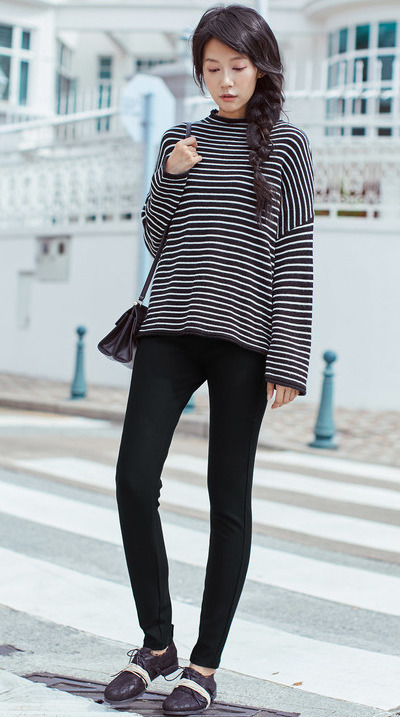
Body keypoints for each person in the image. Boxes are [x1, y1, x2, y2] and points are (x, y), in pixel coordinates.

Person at [104, 3, 314, 715]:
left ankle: (203, 665)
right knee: (134, 481)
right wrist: (171, 175)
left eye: (237, 66)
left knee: (229, 497)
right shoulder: (180, 140)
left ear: (261, 67)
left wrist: (290, 354)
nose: (225, 81)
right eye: (212, 68)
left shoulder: (286, 146)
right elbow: (155, 236)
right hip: (170, 329)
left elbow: (295, 253)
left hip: (245, 341)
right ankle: (156, 643)